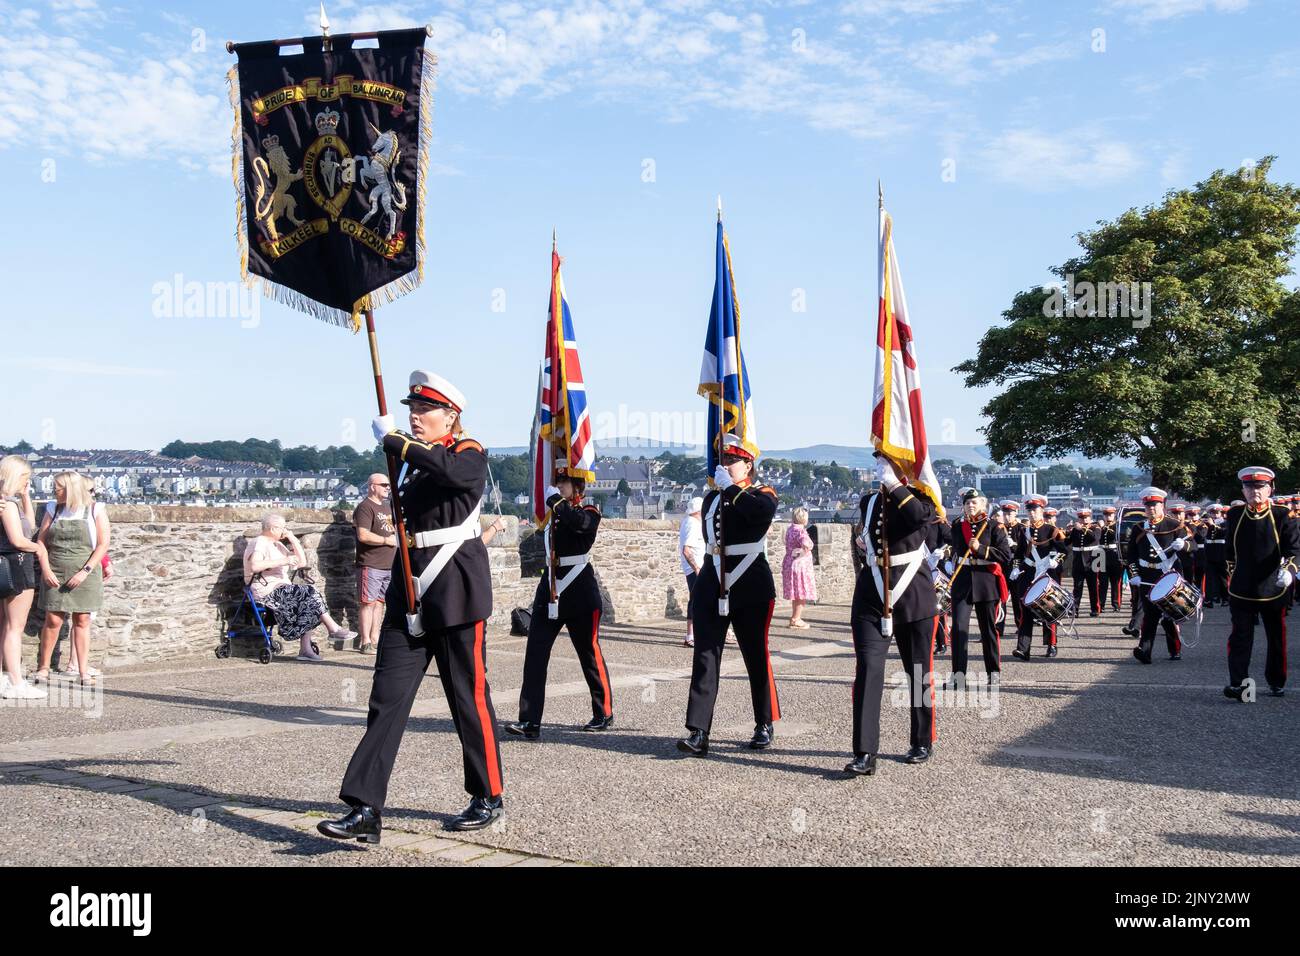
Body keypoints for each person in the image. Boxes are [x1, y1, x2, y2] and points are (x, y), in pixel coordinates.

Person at [319, 370, 505, 842]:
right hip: (408, 585)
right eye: (411, 411)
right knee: (387, 699)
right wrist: (396, 450)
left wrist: (398, 443)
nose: (415, 417)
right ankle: (365, 807)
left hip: (456, 587)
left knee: (468, 697)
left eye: (425, 411)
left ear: (452, 416)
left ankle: (487, 795)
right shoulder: (409, 461)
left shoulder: (469, 452)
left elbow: (449, 473)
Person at [677, 433, 781, 757]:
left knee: (755, 655)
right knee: (706, 656)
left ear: (748, 463)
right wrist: (724, 490)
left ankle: (764, 722)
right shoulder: (710, 499)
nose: (726, 465)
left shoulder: (762, 493)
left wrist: (732, 489)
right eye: (723, 460)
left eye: (733, 460)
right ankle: (699, 730)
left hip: (750, 581)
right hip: (713, 579)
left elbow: (759, 514)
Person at [844, 454, 939, 776]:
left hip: (913, 594)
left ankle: (921, 739)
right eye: (879, 460)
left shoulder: (923, 497)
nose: (881, 465)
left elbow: (915, 519)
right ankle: (865, 751)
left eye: (889, 459)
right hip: (872, 593)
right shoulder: (869, 501)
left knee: (918, 673)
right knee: (869, 670)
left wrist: (896, 485)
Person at [506, 472, 614, 739]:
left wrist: (557, 502)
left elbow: (581, 525)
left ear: (577, 486)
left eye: (563, 482)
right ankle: (530, 720)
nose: (557, 486)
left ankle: (603, 712)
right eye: (556, 482)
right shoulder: (554, 513)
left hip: (579, 590)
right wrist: (555, 503)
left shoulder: (589, 510)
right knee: (535, 655)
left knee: (588, 653)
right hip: (550, 587)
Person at [1223, 467, 1300, 700]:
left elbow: (1295, 550)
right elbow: (1229, 552)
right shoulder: (1235, 514)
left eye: (1259, 487)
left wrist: (1289, 571)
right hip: (1242, 588)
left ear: (1270, 489)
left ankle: (1276, 681)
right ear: (1243, 490)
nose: (1254, 491)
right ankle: (1239, 685)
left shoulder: (1282, 515)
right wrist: (1232, 577)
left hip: (1273, 587)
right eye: (1249, 487)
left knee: (1276, 637)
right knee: (1240, 638)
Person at [243, 514, 356, 661]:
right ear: (273, 528)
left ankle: (306, 649)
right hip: (267, 592)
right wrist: (284, 560)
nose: (285, 530)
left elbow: (301, 562)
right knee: (308, 593)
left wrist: (293, 539)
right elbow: (255, 566)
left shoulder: (277, 544)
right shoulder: (259, 543)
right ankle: (333, 629)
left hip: (283, 590)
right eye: (283, 528)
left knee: (310, 597)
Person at [32, 472, 109, 686]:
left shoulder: (96, 509)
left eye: (57, 487)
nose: (53, 491)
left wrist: (85, 571)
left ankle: (83, 670)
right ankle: (44, 667)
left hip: (85, 574)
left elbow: (103, 544)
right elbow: (41, 542)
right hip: (55, 570)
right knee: (53, 620)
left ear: (69, 489)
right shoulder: (53, 509)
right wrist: (46, 569)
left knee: (82, 621)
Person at [943, 489, 1010, 687]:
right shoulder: (957, 526)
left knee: (988, 630)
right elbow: (955, 549)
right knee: (959, 630)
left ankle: (993, 674)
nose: (970, 506)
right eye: (967, 503)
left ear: (983, 504)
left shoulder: (994, 526)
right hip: (962, 581)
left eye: (974, 502)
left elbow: (1006, 556)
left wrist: (980, 549)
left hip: (985, 581)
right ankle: (958, 677)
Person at [1126, 487, 1191, 665]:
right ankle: (1145, 651)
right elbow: (1130, 555)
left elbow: (1192, 547)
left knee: (1168, 614)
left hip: (1168, 575)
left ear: (1162, 505)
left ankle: (1175, 648)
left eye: (1154, 505)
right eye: (1148, 506)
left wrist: (1183, 546)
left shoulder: (1174, 525)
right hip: (1146, 576)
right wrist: (1134, 573)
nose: (1151, 509)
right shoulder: (1139, 528)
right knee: (1150, 614)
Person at [0, 456, 46, 699]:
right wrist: (39, 549)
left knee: (5, 626)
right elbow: (19, 540)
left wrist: (26, 497)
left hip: (7, 568)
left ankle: (4, 680)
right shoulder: (7, 505)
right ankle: (17, 683)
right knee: (14, 628)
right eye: (26, 478)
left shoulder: (8, 504)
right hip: (17, 567)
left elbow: (29, 525)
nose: (27, 482)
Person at [1010, 494, 1067, 660]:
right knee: (1026, 611)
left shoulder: (1052, 530)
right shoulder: (1024, 531)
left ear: (1042, 510)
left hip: (1046, 574)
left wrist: (1056, 561)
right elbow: (1019, 554)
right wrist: (1015, 568)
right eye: (1029, 510)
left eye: (1035, 510)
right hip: (1027, 574)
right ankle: (1023, 649)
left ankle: (1051, 644)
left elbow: (1064, 551)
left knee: (1049, 609)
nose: (1032, 513)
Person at [353, 473, 398, 654]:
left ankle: (375, 639)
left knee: (380, 603)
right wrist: (386, 541)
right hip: (370, 563)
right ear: (372, 486)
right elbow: (362, 535)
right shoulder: (365, 507)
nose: (388, 487)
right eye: (384, 485)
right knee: (368, 603)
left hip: (388, 565)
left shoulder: (387, 508)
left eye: (388, 485)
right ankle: (365, 642)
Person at [782, 507, 817, 629]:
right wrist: (801, 552)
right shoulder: (801, 531)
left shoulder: (790, 529)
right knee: (801, 593)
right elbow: (807, 545)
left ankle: (794, 617)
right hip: (799, 566)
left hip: (789, 563)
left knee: (796, 593)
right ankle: (796, 619)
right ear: (804, 519)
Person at [679, 497, 705, 646]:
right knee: (696, 601)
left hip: (696, 568)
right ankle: (690, 635)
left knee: (698, 601)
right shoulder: (693, 524)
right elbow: (686, 550)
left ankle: (694, 634)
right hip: (696, 569)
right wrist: (696, 568)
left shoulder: (687, 522)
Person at [1067, 508, 1102, 617]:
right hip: (1078, 560)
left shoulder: (1095, 528)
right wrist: (1067, 532)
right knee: (1077, 587)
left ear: (1090, 517)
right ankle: (1075, 610)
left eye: (1086, 517)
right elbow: (1067, 542)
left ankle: (1095, 609)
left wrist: (1082, 529)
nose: (1084, 520)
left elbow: (1094, 538)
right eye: (1081, 518)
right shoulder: (1075, 529)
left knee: (1093, 587)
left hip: (1092, 560)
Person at [1097, 506, 1124, 613]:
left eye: (1111, 515)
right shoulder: (1098, 526)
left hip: (1115, 555)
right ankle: (1101, 604)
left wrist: (1103, 528)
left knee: (1116, 582)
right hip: (1102, 554)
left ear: (1114, 515)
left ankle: (1116, 604)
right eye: (1106, 515)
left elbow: (1116, 536)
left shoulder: (1117, 526)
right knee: (1102, 582)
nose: (1108, 517)